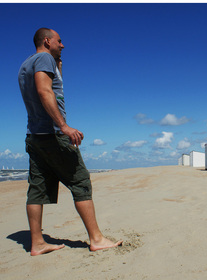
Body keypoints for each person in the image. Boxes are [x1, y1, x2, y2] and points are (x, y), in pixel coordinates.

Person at [18, 28, 122, 256]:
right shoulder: (44, 58)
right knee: (80, 181)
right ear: (47, 41)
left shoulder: (27, 64)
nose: (63, 45)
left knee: (37, 189)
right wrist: (63, 126)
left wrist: (58, 66)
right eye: (59, 41)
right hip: (54, 134)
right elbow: (45, 91)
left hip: (35, 136)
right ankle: (96, 239)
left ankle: (37, 243)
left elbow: (50, 85)